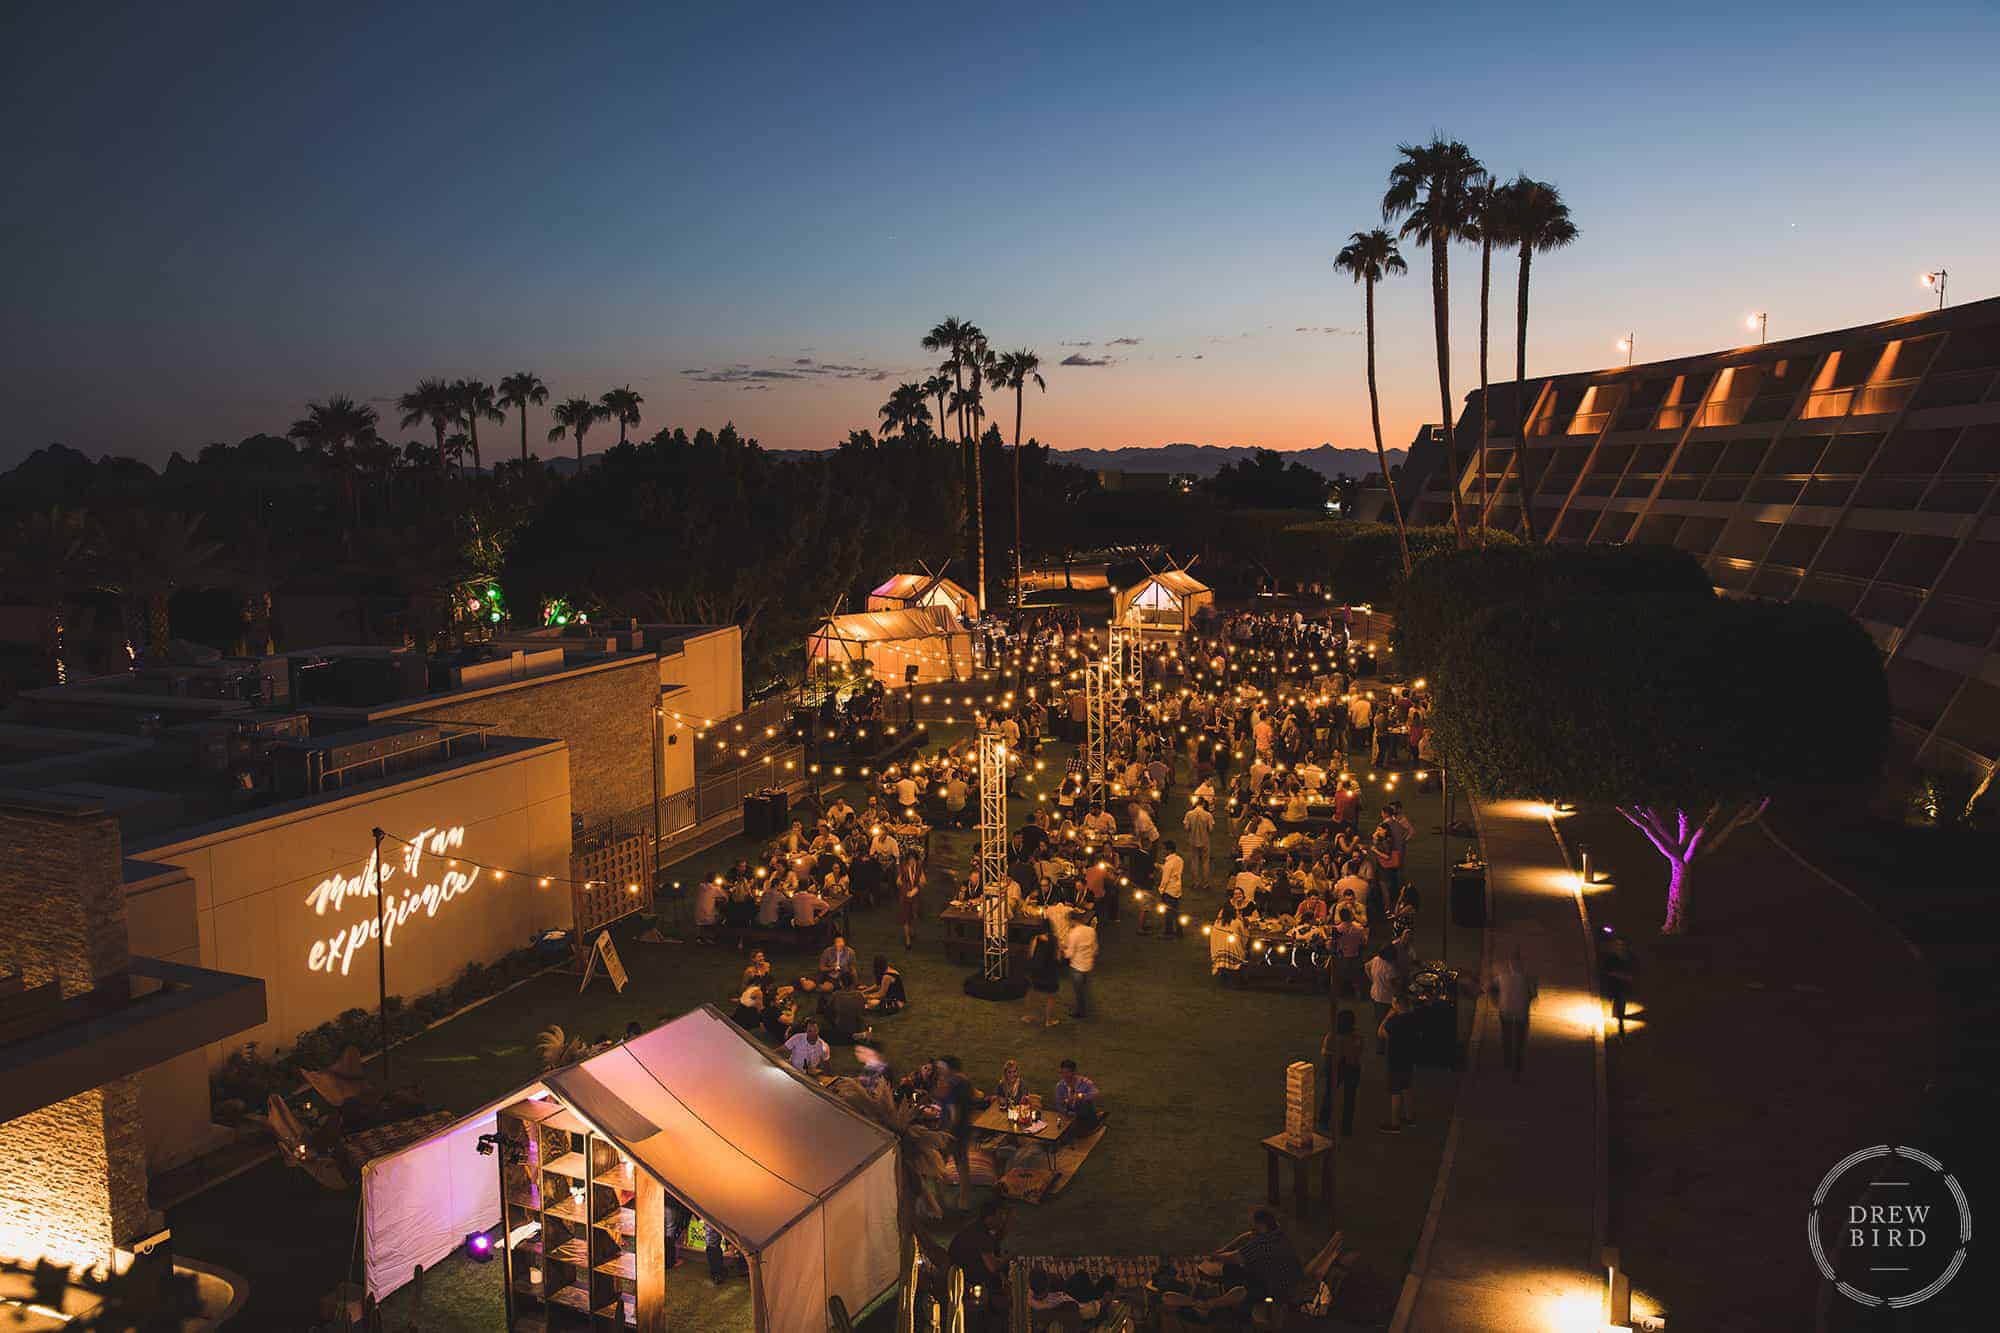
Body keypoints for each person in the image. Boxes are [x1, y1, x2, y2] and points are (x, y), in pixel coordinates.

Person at [1205, 1206, 1307, 1309]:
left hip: (1280, 1289)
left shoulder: (1261, 1244)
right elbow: (1247, 1236)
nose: (1250, 1225)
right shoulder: (1276, 1232)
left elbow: (1234, 1257)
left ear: (1261, 1225)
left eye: (1252, 1223)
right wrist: (1224, 1250)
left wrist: (1216, 1256)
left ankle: (1212, 1305)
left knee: (1242, 1286)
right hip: (1288, 1277)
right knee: (1233, 1269)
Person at [948, 1201, 1009, 1314]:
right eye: (1000, 1216)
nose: (1003, 1219)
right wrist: (1009, 1258)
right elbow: (993, 1266)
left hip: (965, 1272)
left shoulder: (981, 1228)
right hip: (964, 1279)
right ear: (990, 1217)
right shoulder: (981, 1234)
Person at [933, 1057, 976, 1212]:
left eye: (942, 1068)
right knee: (962, 1165)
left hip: (952, 1132)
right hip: (964, 1130)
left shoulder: (953, 1084)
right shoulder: (965, 1082)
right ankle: (964, 1201)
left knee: (938, 1164)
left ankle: (940, 1200)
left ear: (950, 1068)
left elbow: (953, 1112)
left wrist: (946, 1132)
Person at [1490, 948, 1537, 1079]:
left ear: (1509, 964)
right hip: (1521, 1012)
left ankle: (1507, 1059)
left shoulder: (1501, 977)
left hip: (1505, 1010)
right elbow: (1533, 994)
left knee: (1506, 1034)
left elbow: (1491, 988)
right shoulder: (1528, 979)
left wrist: (1496, 1002)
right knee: (1520, 1039)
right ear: (1521, 964)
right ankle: (1516, 1066)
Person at [1378, 995, 1419, 1132]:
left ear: (1398, 1004)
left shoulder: (1394, 1021)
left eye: (1394, 1002)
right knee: (1406, 1087)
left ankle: (1394, 1123)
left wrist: (1387, 1017)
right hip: (1409, 1057)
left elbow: (1381, 1033)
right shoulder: (1413, 1018)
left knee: (1395, 1090)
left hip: (1395, 1059)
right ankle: (1410, 1117)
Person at [1321, 1009, 1364, 1137]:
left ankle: (1324, 1120)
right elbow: (1358, 1053)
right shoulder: (1356, 1038)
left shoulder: (1332, 1036)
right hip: (1352, 1068)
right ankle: (1346, 1127)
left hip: (1336, 1067)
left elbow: (1324, 1051)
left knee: (1329, 1093)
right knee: (1350, 1098)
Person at [1022, 921, 1064, 1028]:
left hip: (1036, 970)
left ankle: (1028, 1015)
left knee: (1032, 993)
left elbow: (1031, 954)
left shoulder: (1036, 939)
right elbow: (1058, 957)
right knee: (1051, 996)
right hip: (1049, 970)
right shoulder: (1055, 940)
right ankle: (1048, 1020)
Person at [1063, 910, 1098, 1021]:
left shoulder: (1073, 934)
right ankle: (1086, 1007)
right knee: (1085, 987)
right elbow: (1095, 948)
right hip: (1088, 964)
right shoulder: (1091, 930)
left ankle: (1080, 1011)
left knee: (1079, 991)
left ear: (1072, 920)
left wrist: (1063, 949)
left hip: (1077, 966)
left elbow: (1069, 954)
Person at [1366, 944, 1400, 1048]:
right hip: (1387, 998)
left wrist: (1372, 979)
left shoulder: (1376, 960)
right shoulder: (1390, 968)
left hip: (1376, 994)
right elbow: (1393, 985)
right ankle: (1385, 1045)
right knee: (1388, 1023)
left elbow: (1366, 966)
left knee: (1379, 1021)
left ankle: (1380, 1045)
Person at [1052, 1058, 1100, 1129]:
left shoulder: (1084, 1082)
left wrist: (1081, 1096)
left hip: (1085, 1114)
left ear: (1074, 1072)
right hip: (1069, 1115)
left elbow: (1096, 1093)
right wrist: (1066, 1112)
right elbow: (1059, 1104)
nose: (1065, 1075)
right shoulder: (1060, 1086)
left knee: (1085, 1106)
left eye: (1068, 1072)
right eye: (1062, 1073)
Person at [895, 849, 924, 950]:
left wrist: (917, 888)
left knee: (913, 915)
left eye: (913, 860)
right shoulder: (903, 868)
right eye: (910, 860)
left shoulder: (919, 868)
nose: (912, 862)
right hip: (905, 896)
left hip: (915, 896)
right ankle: (908, 940)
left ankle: (911, 931)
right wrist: (904, 888)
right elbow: (898, 882)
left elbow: (923, 881)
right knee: (906, 917)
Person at [1182, 797, 1214, 886]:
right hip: (1205, 840)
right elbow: (1211, 829)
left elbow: (1186, 828)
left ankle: (1195, 882)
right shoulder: (1208, 815)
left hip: (1193, 840)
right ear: (1203, 804)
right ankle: (1205, 883)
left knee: (1194, 861)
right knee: (1205, 862)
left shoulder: (1189, 814)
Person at [1157, 840, 1184, 937]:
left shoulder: (1169, 864)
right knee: (1176, 911)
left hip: (1169, 891)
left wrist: (1161, 890)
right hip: (1177, 889)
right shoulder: (1179, 860)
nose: (1162, 851)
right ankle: (1179, 931)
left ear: (1169, 850)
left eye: (1164, 849)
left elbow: (1165, 879)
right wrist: (1161, 867)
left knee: (1168, 912)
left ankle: (1169, 932)